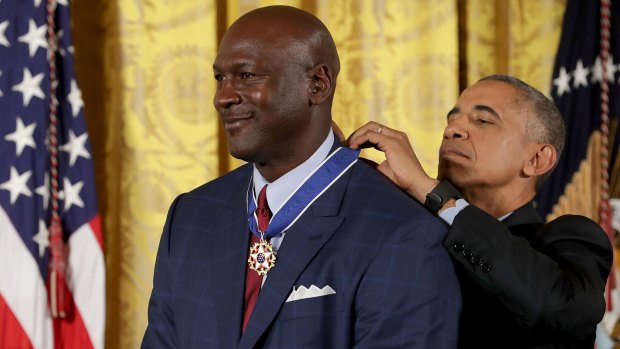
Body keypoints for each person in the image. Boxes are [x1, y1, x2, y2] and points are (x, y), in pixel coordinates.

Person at [141, 6, 461, 348]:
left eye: (247, 75)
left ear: (317, 84)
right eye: (220, 78)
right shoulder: (190, 217)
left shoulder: (403, 233)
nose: (223, 97)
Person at [346, 74, 613, 348]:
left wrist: (432, 192)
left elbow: (560, 308)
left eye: (483, 121)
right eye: (451, 120)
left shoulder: (573, 238)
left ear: (537, 159)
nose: (452, 131)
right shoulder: (412, 232)